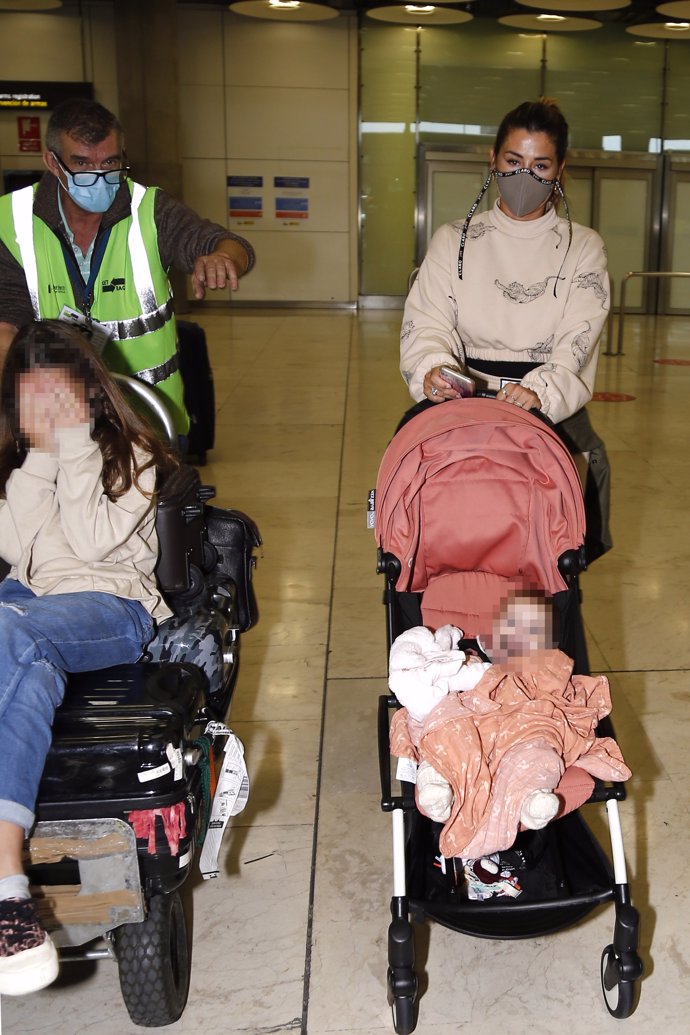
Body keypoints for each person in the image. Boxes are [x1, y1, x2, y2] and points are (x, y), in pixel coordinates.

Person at [0, 320, 179, 995]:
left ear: (89, 395)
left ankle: (7, 891)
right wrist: (38, 458)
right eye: (30, 397)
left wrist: (73, 447)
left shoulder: (131, 453)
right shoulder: (24, 463)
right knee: (18, 644)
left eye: (58, 395)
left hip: (111, 607)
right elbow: (11, 544)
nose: (43, 410)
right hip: (28, 606)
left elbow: (93, 542)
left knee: (12, 632)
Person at [400, 98, 612, 560]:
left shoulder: (583, 247)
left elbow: (577, 339)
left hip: (550, 411)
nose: (524, 178)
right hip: (464, 404)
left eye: (540, 166)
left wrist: (538, 394)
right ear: (493, 158)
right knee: (447, 536)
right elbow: (428, 319)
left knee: (551, 557)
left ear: (560, 170)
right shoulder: (453, 239)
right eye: (514, 162)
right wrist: (434, 367)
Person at [0, 98, 255, 438]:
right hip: (52, 425)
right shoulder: (11, 220)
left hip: (149, 419)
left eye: (110, 162)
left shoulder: (149, 209)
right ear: (52, 162)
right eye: (82, 163)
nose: (100, 177)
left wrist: (222, 258)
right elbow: (7, 322)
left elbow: (224, 243)